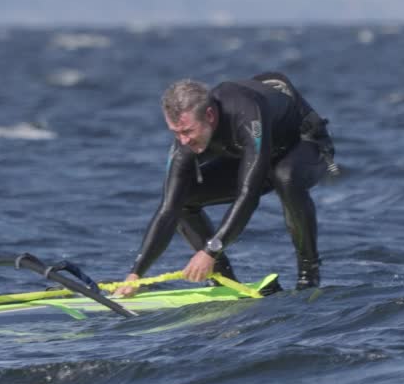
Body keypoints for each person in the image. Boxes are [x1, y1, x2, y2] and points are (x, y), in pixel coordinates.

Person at [114, 72, 336, 296]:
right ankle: (222, 278)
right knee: (184, 198)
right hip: (254, 156)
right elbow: (168, 208)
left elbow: (248, 195)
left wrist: (210, 250)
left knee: (285, 177)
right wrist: (136, 274)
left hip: (304, 147)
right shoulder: (186, 140)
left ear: (209, 115)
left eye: (188, 131)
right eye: (176, 133)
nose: (183, 141)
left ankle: (309, 274)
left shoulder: (245, 112)